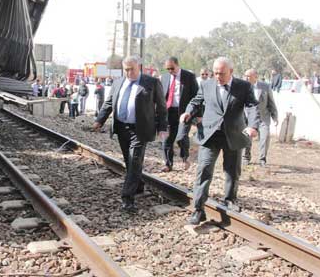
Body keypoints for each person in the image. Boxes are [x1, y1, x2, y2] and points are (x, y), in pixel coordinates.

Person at [180, 57, 260, 224]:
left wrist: (253, 126)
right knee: (204, 170)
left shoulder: (243, 86)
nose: (218, 76)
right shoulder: (207, 84)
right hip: (210, 135)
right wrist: (189, 112)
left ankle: (230, 200)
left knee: (232, 171)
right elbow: (196, 101)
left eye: (221, 73)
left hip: (234, 134)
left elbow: (252, 106)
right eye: (215, 73)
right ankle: (198, 209)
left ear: (231, 71)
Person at [93, 56, 168, 212]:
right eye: (125, 69)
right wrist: (100, 120)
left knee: (134, 161)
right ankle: (138, 185)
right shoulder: (118, 82)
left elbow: (161, 107)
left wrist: (162, 127)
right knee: (129, 160)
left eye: (131, 69)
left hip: (140, 130)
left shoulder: (152, 83)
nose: (128, 72)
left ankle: (127, 199)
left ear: (139, 66)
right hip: (121, 128)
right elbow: (108, 103)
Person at [160, 57, 199, 172]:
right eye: (167, 69)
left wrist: (197, 114)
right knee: (166, 140)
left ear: (177, 65)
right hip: (169, 112)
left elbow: (197, 96)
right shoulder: (165, 77)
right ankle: (168, 164)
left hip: (184, 113)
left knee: (181, 137)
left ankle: (184, 158)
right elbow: (161, 96)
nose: (170, 71)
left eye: (172, 68)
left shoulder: (189, 76)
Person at [243, 69, 278, 166]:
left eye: (249, 76)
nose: (246, 78)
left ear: (255, 77)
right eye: (245, 75)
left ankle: (262, 159)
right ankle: (245, 158)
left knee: (265, 137)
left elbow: (271, 102)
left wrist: (275, 117)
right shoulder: (242, 87)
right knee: (246, 138)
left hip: (263, 118)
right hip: (248, 119)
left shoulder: (265, 87)